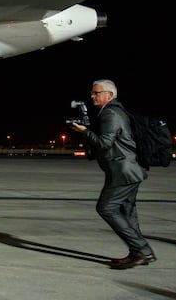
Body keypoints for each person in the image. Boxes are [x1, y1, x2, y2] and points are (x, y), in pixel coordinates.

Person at [71, 79, 156, 269]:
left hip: (123, 171)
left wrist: (84, 132)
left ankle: (143, 250)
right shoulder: (114, 111)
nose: (92, 96)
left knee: (106, 208)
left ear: (109, 95)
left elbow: (103, 143)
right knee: (127, 212)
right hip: (128, 170)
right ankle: (137, 253)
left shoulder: (111, 113)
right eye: (92, 93)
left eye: (96, 93)